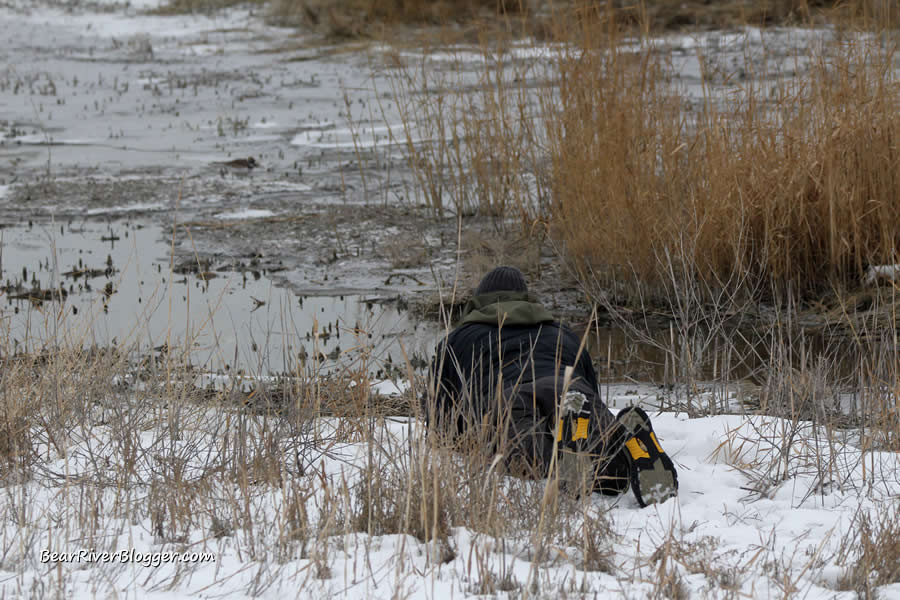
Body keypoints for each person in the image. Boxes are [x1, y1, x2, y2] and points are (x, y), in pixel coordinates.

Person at [426, 266, 678, 507]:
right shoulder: (562, 333)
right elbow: (593, 393)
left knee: (531, 460)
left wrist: (469, 437)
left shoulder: (457, 340)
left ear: (479, 302)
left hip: (512, 399)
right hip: (573, 391)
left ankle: (568, 454)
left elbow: (439, 425)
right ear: (527, 299)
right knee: (602, 449)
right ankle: (622, 440)